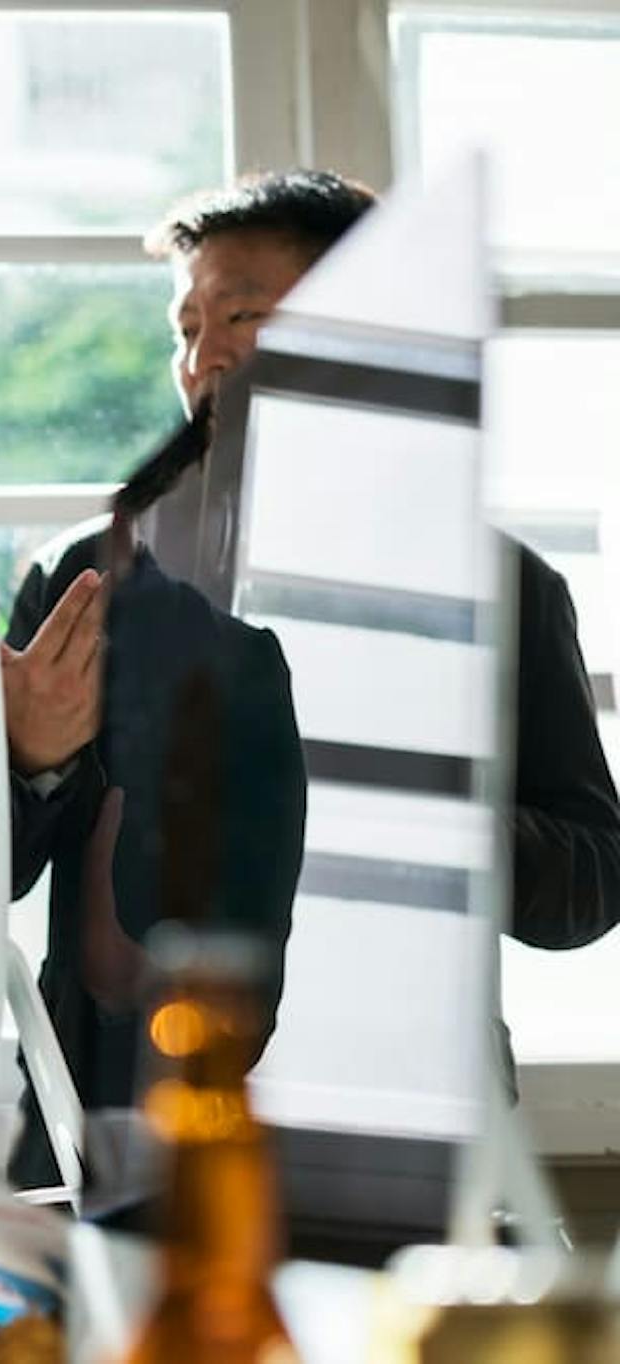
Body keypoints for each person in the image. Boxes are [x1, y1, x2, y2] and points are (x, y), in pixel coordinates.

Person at [144, 169, 620, 958]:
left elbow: (597, 879)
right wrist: (29, 757)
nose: (204, 359)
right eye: (186, 328)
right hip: (136, 1070)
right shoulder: (93, 578)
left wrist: (423, 810)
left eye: (243, 315)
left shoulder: (503, 585)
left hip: (404, 1058)